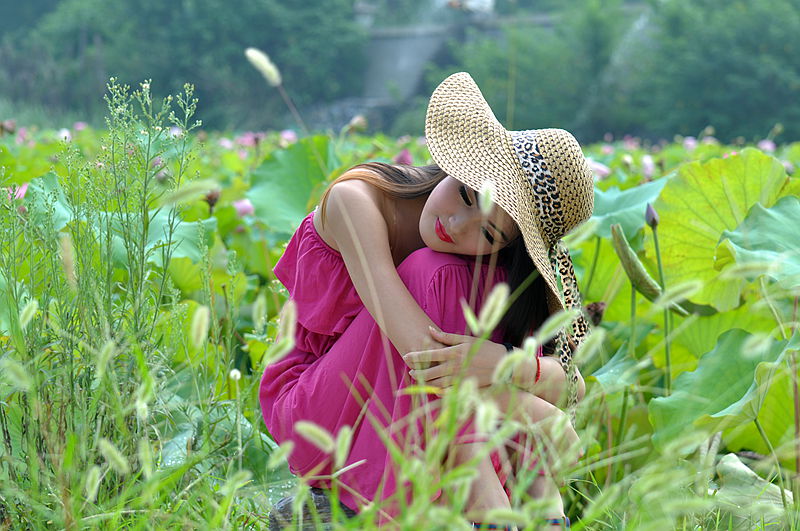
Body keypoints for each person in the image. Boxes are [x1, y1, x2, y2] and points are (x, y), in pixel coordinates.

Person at [259, 72, 593, 528]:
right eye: (467, 194)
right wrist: (529, 410)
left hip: (411, 414)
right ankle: (500, 500)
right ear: (458, 167)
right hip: (315, 411)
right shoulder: (357, 201)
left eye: (490, 231)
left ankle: (506, 496)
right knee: (431, 271)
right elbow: (422, 353)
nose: (457, 224)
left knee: (468, 282)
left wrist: (503, 363)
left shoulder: (486, 267)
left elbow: (571, 385)